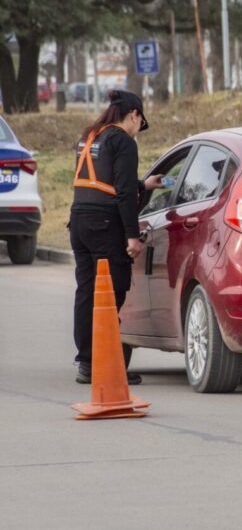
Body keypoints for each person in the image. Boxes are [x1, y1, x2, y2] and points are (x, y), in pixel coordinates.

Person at [71, 89, 163, 385]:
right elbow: (122, 194)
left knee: (87, 291)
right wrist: (132, 237)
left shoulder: (90, 136)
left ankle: (87, 362)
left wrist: (143, 184)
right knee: (114, 289)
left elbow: (103, 180)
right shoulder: (123, 140)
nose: (139, 130)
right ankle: (107, 363)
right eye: (141, 123)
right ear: (134, 115)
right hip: (105, 223)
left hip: (79, 221)